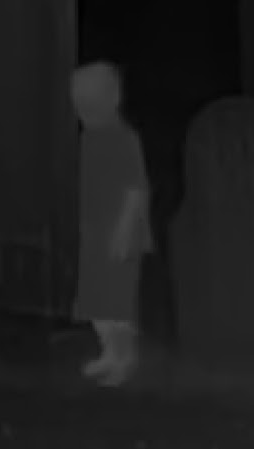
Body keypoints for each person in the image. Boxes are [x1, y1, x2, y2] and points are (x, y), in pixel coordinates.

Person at [71, 61, 154, 387]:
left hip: (122, 234)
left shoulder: (123, 139)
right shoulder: (89, 139)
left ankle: (126, 357)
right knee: (96, 301)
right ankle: (109, 353)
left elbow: (136, 188)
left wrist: (123, 231)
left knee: (117, 302)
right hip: (95, 232)